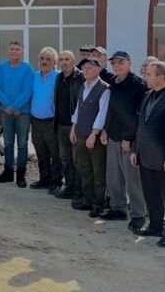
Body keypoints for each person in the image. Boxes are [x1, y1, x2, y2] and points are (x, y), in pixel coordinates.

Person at [131, 61, 165, 247]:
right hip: (145, 156)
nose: (146, 77)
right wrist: (136, 149)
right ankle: (155, 225)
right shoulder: (147, 95)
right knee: (151, 193)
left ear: (161, 77)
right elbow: (141, 125)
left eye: (149, 74)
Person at [102, 50, 148, 231]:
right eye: (114, 63)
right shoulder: (113, 83)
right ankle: (118, 208)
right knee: (113, 177)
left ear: (129, 63)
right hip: (113, 136)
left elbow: (136, 115)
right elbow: (110, 110)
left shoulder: (138, 85)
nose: (117, 66)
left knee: (132, 180)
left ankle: (138, 214)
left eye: (121, 62)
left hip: (128, 139)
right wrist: (105, 129)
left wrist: (128, 138)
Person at [70, 57, 111, 217]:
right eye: (84, 67)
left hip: (93, 136)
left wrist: (94, 134)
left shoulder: (104, 88)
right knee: (84, 169)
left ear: (98, 69)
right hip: (80, 133)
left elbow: (102, 113)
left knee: (98, 170)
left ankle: (98, 203)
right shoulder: (83, 86)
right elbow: (78, 110)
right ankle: (87, 200)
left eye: (89, 67)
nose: (85, 70)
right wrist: (73, 128)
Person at [0, 41, 33, 187]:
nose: (15, 51)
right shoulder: (2, 67)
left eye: (17, 49)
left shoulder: (27, 68)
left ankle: (21, 175)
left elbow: (28, 90)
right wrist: (8, 106)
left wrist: (15, 106)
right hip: (6, 112)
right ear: (8, 51)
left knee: (22, 144)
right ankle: (8, 172)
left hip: (22, 112)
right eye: (12, 49)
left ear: (22, 51)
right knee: (8, 143)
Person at [29, 47, 61, 192]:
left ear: (54, 62)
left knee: (55, 153)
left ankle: (56, 182)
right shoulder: (34, 76)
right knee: (41, 152)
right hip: (36, 121)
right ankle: (44, 179)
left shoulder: (58, 77)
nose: (44, 61)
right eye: (42, 58)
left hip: (51, 122)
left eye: (48, 59)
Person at [54, 50, 84, 203]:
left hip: (75, 127)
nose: (64, 62)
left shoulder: (80, 77)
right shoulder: (58, 77)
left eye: (67, 59)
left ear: (73, 61)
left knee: (77, 159)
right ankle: (70, 186)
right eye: (61, 59)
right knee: (65, 159)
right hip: (60, 125)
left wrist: (77, 124)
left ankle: (80, 191)